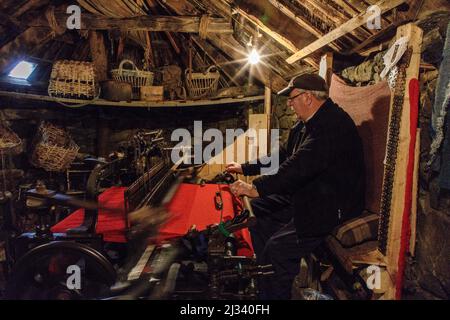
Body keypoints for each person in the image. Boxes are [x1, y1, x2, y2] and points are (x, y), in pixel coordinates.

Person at [226, 73, 365, 299]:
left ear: (308, 97)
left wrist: (255, 188)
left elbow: (298, 168)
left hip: (332, 204)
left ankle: (273, 291)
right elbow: (283, 155)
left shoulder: (332, 126)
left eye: (292, 98)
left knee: (277, 250)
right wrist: (245, 168)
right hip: (312, 192)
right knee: (257, 215)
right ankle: (266, 279)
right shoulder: (305, 125)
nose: (289, 104)